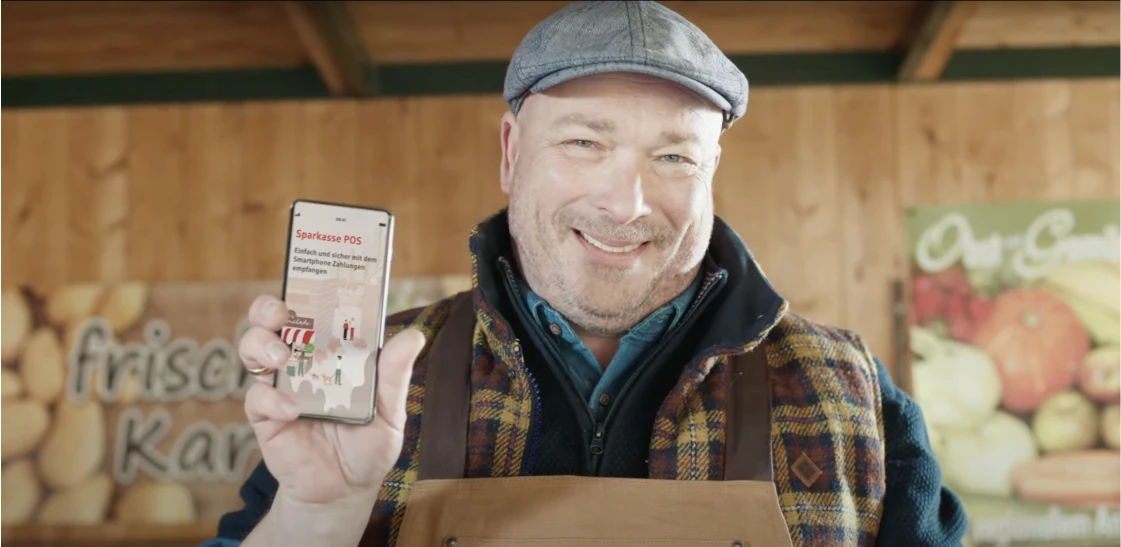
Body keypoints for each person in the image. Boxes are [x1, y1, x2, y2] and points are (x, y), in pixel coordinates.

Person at [203, 2, 968, 546]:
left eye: (672, 156)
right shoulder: (366, 381)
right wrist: (316, 515)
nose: (623, 202)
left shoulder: (849, 391)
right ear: (510, 153)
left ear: (710, 170)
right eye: (582, 142)